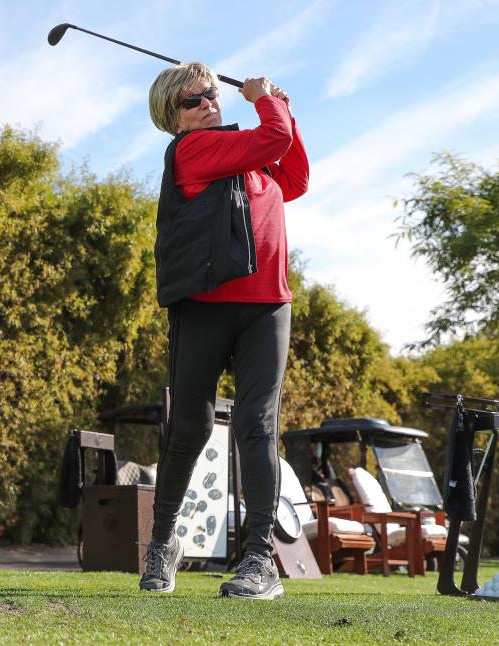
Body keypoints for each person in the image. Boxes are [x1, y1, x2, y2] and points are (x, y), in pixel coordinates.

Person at [139, 63, 309, 599]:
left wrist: (284, 109)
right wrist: (266, 101)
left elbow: (296, 179)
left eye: (211, 93)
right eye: (194, 100)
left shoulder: (251, 156)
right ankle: (164, 544)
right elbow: (273, 135)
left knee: (257, 425)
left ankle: (260, 560)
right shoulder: (194, 152)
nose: (209, 102)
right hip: (205, 305)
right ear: (175, 117)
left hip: (267, 307)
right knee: (190, 426)